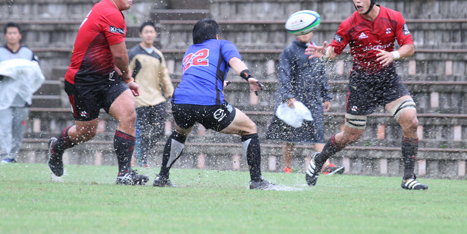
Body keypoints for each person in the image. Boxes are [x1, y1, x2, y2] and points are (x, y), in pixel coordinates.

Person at [305, 0, 428, 190]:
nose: (358, 0)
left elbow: (409, 46)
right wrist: (324, 53)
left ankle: (408, 178)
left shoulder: (394, 18)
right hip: (361, 84)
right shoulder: (349, 24)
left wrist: (394, 54)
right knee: (351, 135)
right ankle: (318, 159)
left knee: (411, 121)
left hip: (388, 81)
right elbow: (334, 52)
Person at [47, 0, 149, 185]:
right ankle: (57, 147)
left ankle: (124, 174)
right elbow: (120, 55)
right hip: (83, 82)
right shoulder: (109, 12)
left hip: (108, 78)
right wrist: (129, 78)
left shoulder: (111, 11)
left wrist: (125, 81)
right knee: (86, 132)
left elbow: (112, 55)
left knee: (129, 114)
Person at [153, 18, 279, 190]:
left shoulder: (190, 51)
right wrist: (248, 76)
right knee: (249, 128)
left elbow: (197, 77)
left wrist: (221, 84)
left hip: (180, 101)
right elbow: (235, 62)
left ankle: (162, 177)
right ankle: (256, 181)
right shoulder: (223, 44)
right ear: (217, 35)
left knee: (180, 133)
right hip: (207, 103)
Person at [265, 31, 344, 175]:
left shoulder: (315, 48)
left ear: (312, 31)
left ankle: (325, 166)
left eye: (307, 31)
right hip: (295, 99)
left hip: (313, 98)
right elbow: (284, 74)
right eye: (301, 31)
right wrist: (288, 96)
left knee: (318, 132)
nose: (305, 34)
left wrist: (326, 95)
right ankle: (287, 167)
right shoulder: (289, 50)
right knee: (289, 136)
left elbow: (321, 72)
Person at [129, 20, 174, 167]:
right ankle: (142, 161)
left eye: (151, 32)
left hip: (156, 99)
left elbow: (164, 76)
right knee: (141, 132)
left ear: (155, 34)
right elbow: (127, 75)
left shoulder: (158, 54)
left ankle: (143, 153)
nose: (149, 35)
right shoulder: (134, 53)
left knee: (159, 131)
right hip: (139, 99)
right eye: (146, 32)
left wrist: (171, 95)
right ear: (141, 34)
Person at [0, 22, 40, 163]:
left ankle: (12, 156)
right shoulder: (1, 53)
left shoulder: (27, 53)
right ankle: (5, 155)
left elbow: (36, 72)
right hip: (3, 99)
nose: (12, 36)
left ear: (20, 35)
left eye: (14, 33)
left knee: (18, 130)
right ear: (5, 36)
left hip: (22, 98)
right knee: (4, 129)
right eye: (9, 33)